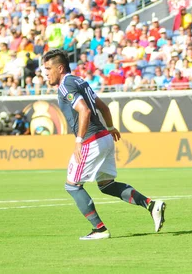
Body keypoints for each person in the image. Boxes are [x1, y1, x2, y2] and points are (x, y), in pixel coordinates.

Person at [43, 49, 166, 240]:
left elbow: (84, 111)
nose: (46, 73)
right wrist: (110, 127)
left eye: (48, 68)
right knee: (106, 185)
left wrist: (79, 141)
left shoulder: (65, 86)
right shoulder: (80, 81)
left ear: (60, 68)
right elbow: (103, 107)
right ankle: (151, 204)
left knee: (72, 186)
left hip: (91, 141)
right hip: (104, 137)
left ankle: (99, 229)